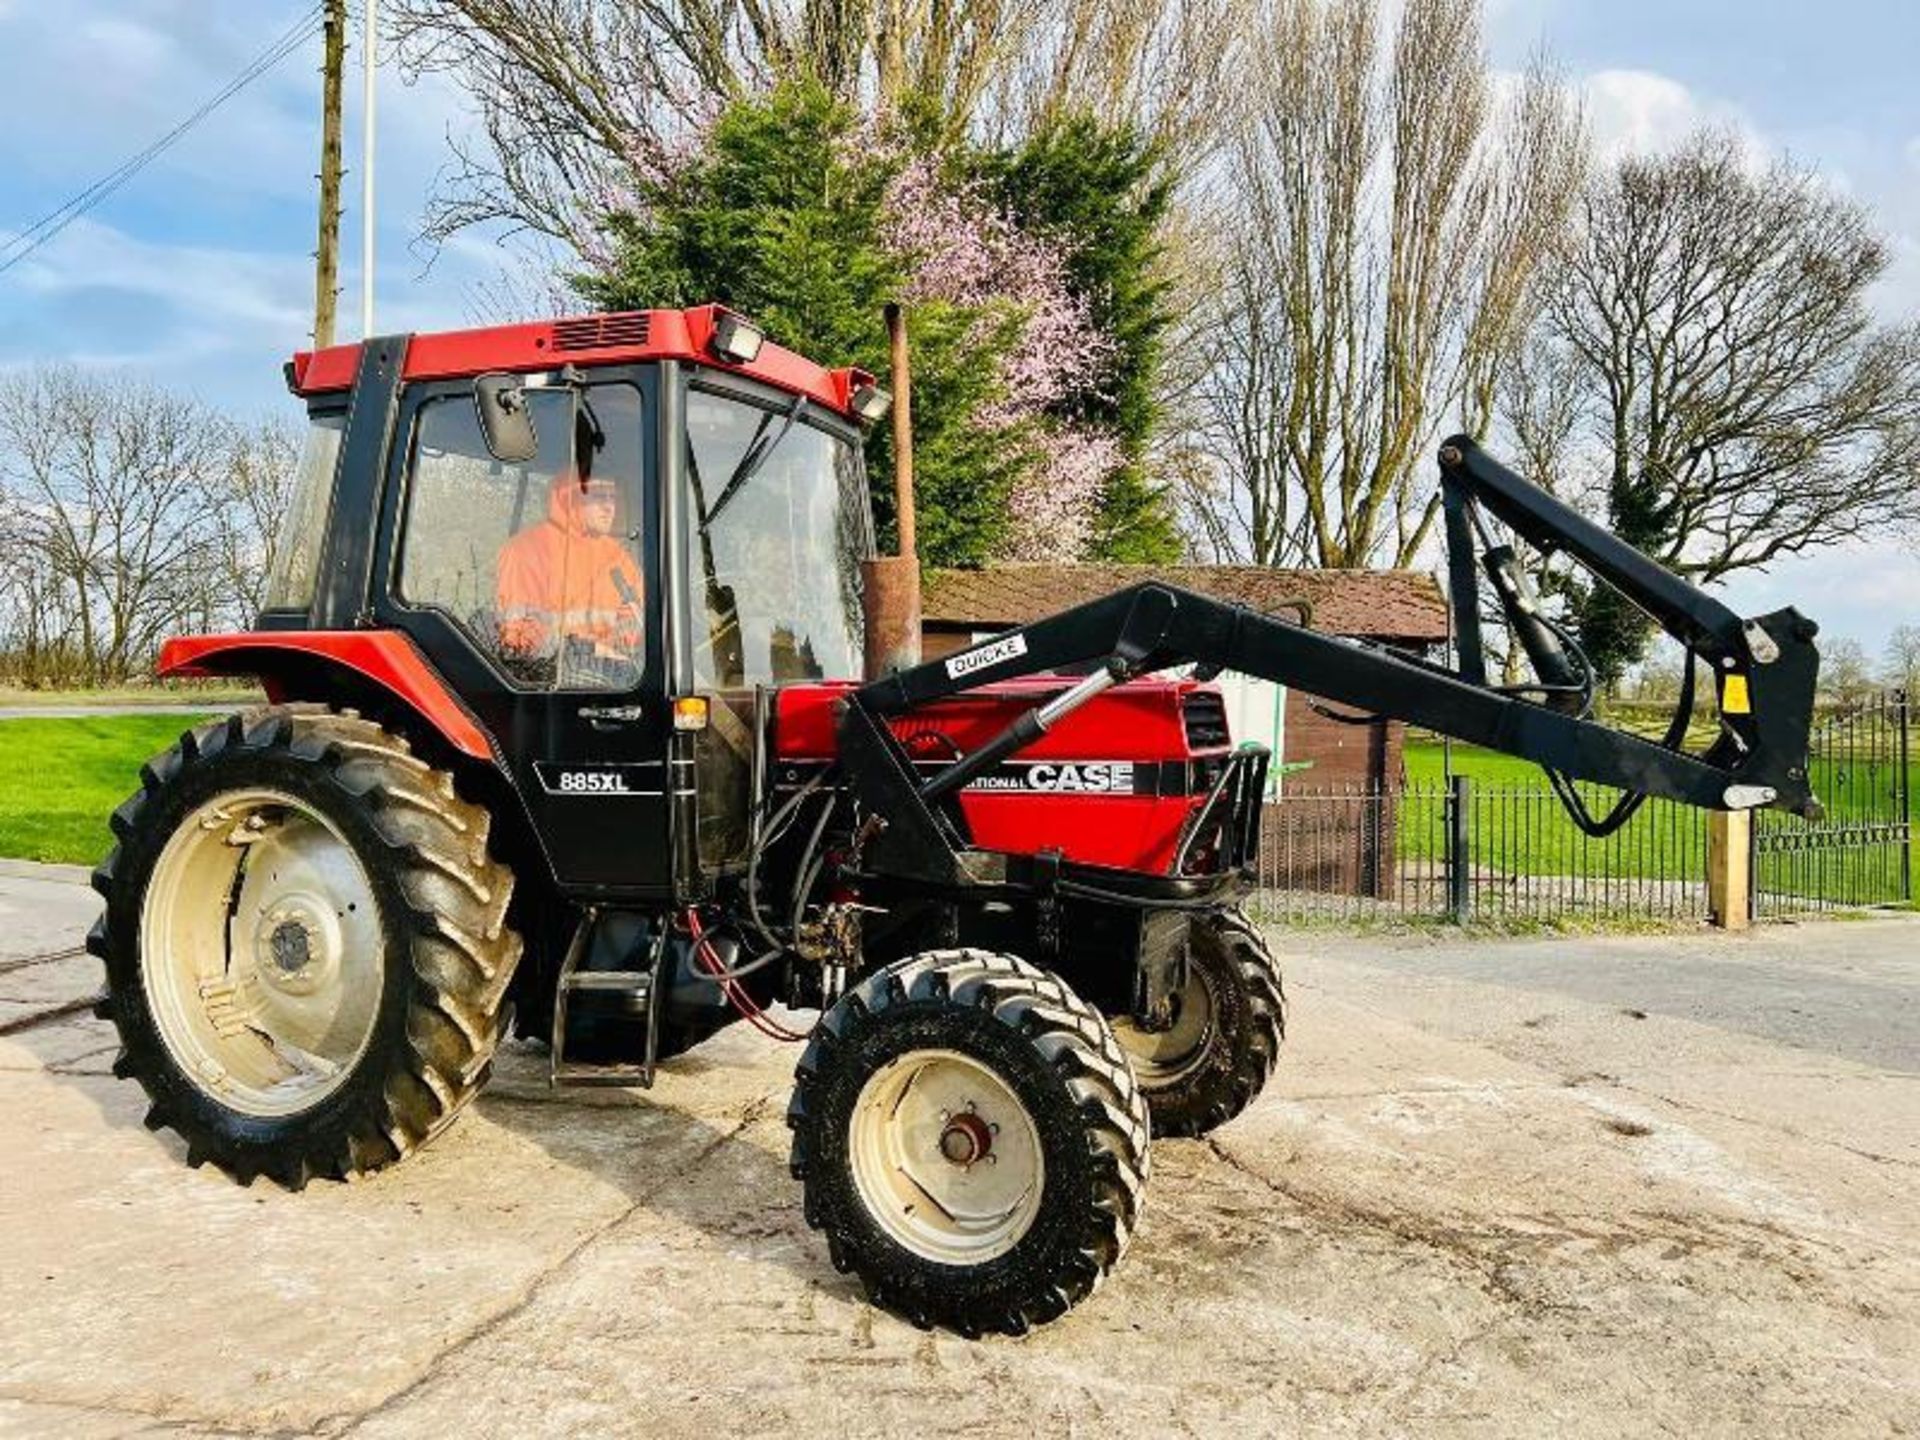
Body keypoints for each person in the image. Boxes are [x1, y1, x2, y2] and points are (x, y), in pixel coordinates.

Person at [495, 467, 644, 683]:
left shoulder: (618, 558)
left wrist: (626, 641)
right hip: (550, 673)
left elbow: (635, 624)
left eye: (612, 497)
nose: (608, 507)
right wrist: (587, 648)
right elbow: (518, 637)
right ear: (570, 500)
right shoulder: (527, 550)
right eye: (598, 497)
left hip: (617, 669)